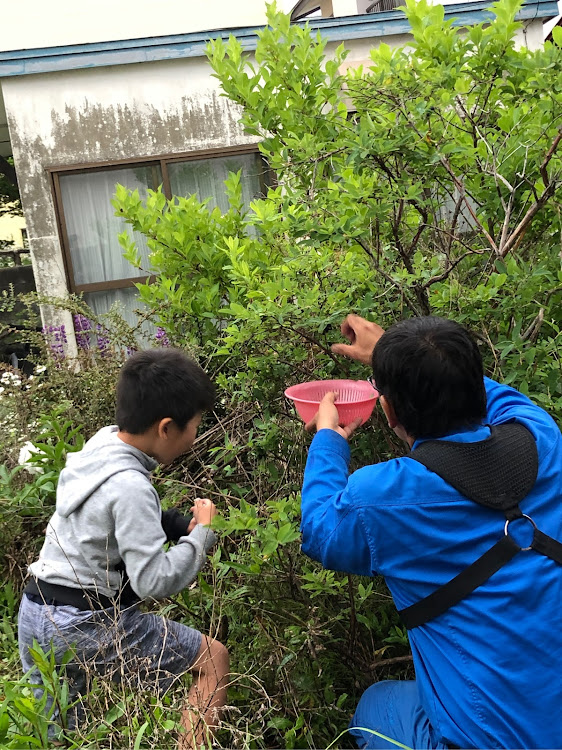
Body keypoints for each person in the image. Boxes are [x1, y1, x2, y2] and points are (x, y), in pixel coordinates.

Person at [300, 314, 562, 749]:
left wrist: (329, 438)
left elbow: (320, 530)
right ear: (478, 388)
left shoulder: (384, 499)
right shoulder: (543, 438)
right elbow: (492, 399)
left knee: (375, 706)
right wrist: (405, 355)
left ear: (386, 410)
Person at [18, 348, 229, 749]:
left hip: (35, 612)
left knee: (60, 736)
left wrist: (170, 522)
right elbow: (153, 580)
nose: (195, 437)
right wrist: (202, 535)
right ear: (166, 428)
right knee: (212, 661)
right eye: (195, 426)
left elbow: (109, 513)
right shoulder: (131, 486)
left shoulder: (101, 446)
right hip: (80, 625)